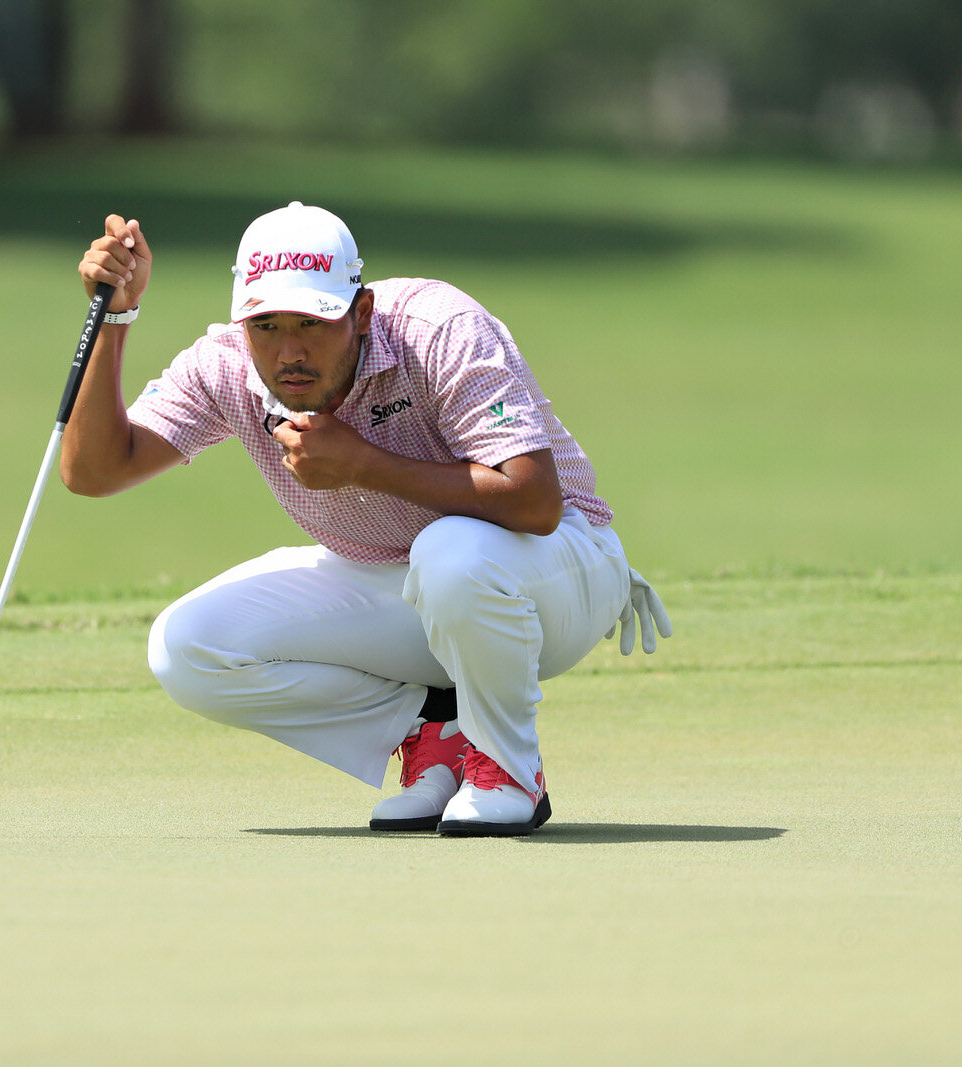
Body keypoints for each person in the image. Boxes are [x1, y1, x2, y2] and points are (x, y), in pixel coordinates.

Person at [63, 202, 670, 836]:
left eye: (312, 323)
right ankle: (436, 730)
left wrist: (361, 464)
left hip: (558, 568)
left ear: (361, 313)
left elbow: (535, 502)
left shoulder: (439, 328)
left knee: (452, 552)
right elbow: (95, 472)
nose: (289, 351)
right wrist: (114, 318)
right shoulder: (225, 366)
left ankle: (509, 767)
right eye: (265, 325)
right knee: (187, 648)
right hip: (406, 582)